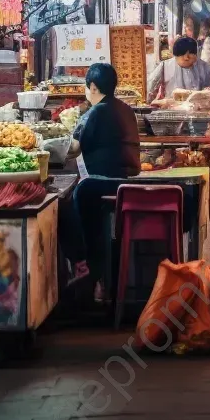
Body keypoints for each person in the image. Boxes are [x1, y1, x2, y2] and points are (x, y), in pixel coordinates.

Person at [62, 63, 142, 292]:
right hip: (127, 181)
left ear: (93, 87)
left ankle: (87, 263)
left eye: (87, 87)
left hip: (104, 183)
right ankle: (94, 266)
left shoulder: (95, 112)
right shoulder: (125, 109)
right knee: (83, 190)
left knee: (76, 194)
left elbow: (74, 148)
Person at [147, 37, 210, 105]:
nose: (186, 57)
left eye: (190, 53)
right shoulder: (165, 66)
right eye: (182, 54)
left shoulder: (204, 67)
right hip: (172, 108)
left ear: (196, 54)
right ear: (175, 54)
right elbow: (150, 86)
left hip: (198, 108)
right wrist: (150, 102)